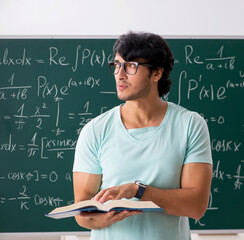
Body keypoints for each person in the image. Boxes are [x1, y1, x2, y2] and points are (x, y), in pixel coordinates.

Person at [73, 32, 213, 240]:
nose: (120, 75)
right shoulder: (94, 130)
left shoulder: (190, 125)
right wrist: (96, 220)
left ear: (156, 73)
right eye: (117, 65)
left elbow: (195, 206)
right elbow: (82, 211)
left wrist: (138, 190)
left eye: (131, 66)